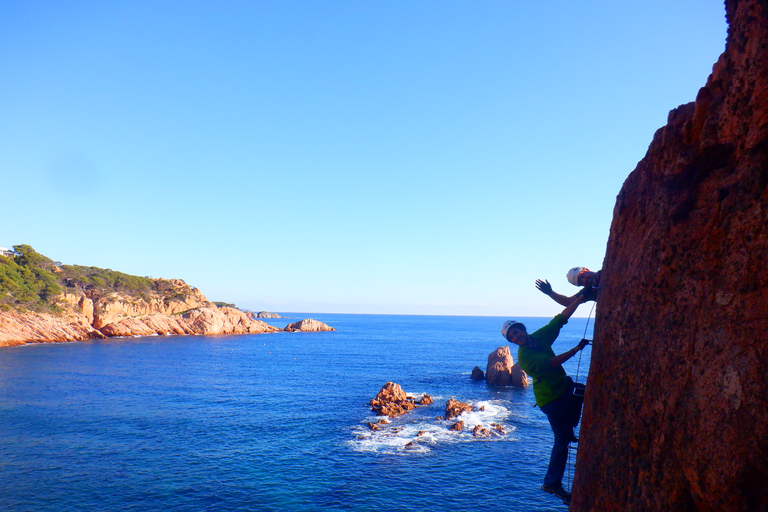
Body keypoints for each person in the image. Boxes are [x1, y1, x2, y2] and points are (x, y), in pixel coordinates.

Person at [500, 294, 590, 504]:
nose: (515, 337)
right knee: (562, 442)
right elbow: (551, 362)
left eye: (516, 332)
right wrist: (576, 349)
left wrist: (580, 299)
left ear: (522, 329)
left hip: (562, 387)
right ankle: (552, 483)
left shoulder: (540, 337)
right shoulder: (525, 357)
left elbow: (559, 320)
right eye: (511, 337)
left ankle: (568, 431)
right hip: (551, 399)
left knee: (581, 393)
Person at [536, 266, 601, 306]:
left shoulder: (605, 271)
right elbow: (568, 302)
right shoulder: (589, 291)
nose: (585, 280)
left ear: (586, 269)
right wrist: (550, 292)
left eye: (582, 276)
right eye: (581, 282)